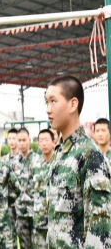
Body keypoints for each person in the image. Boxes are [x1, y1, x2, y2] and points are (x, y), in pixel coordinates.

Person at [45, 75, 111, 248]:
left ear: (73, 104)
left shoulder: (89, 155)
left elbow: (100, 227)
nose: (48, 109)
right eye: (46, 102)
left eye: (53, 101)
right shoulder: (60, 152)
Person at [10, 127, 37, 249]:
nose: (21, 143)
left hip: (37, 212)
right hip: (20, 212)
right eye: (19, 140)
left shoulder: (38, 161)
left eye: (24, 140)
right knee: (25, 246)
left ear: (29, 140)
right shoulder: (13, 163)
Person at [29, 129, 55, 249]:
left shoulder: (59, 162)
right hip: (39, 220)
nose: (44, 143)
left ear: (53, 141)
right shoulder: (34, 165)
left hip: (57, 221)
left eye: (46, 140)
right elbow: (30, 190)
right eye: (41, 141)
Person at [1, 128, 19, 248]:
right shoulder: (4, 161)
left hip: (24, 207)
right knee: (9, 239)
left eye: (14, 138)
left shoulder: (23, 158)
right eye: (9, 139)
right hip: (8, 206)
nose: (11, 141)